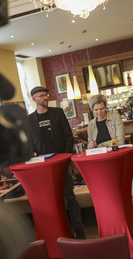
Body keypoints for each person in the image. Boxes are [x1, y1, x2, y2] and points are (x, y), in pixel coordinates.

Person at [28, 86, 85, 239]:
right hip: (43, 166)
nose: (46, 97)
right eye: (41, 95)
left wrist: (66, 156)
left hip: (61, 163)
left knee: (69, 195)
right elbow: (29, 143)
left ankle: (78, 229)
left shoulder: (58, 113)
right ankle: (59, 231)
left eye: (46, 94)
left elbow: (68, 135)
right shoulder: (29, 120)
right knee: (51, 199)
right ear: (34, 99)